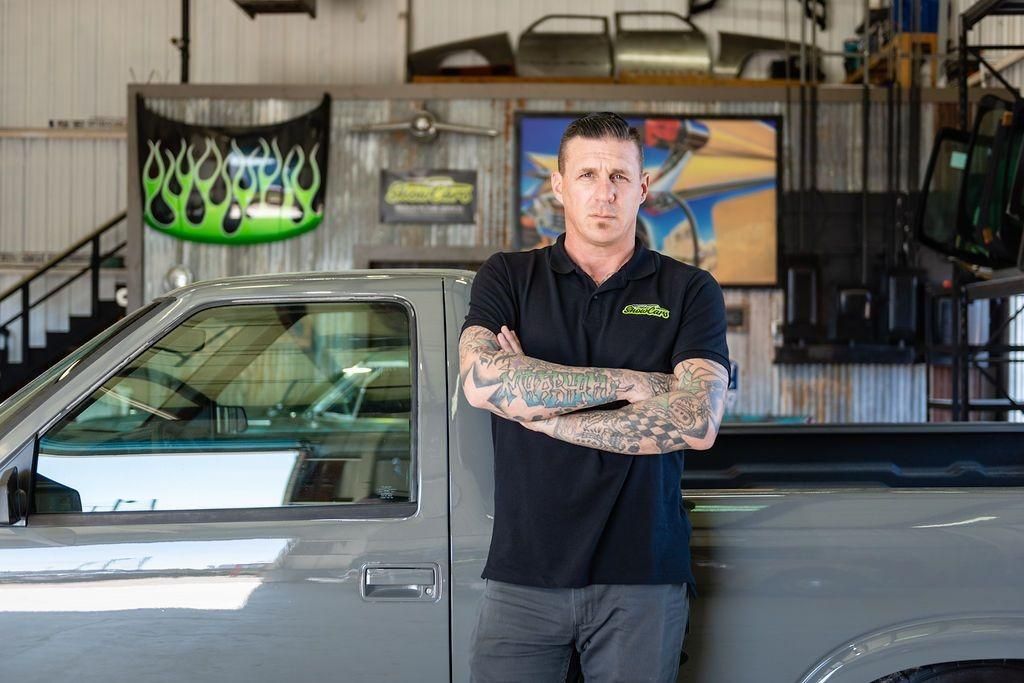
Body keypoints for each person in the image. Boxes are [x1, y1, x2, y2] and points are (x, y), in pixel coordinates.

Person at [459, 112, 730, 683]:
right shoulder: (508, 277)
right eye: (586, 174)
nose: (603, 193)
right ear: (559, 185)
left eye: (618, 177)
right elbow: (483, 381)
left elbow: (697, 420)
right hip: (524, 574)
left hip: (642, 577)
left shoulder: (688, 289)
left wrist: (541, 410)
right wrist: (632, 383)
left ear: (643, 189)